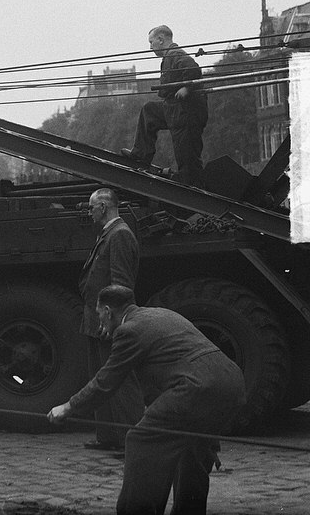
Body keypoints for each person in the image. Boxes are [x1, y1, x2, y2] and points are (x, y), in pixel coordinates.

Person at [48, 285, 245, 515]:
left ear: (108, 311)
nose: (99, 322)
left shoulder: (128, 331)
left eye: (99, 314)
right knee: (194, 448)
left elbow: (105, 381)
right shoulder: (161, 314)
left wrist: (68, 407)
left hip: (195, 389)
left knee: (142, 440)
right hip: (232, 382)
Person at [78, 188, 143, 451]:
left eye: (92, 208)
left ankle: (133, 442)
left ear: (103, 208)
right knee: (101, 379)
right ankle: (108, 436)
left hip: (108, 322)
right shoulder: (111, 234)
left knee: (121, 381)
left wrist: (113, 322)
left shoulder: (120, 236)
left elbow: (121, 285)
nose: (89, 212)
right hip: (97, 320)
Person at [121, 25, 207, 185]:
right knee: (149, 111)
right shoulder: (169, 57)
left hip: (186, 115)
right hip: (173, 110)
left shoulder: (175, 54)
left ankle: (194, 189)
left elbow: (194, 69)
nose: (150, 47)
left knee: (187, 157)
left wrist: (186, 88)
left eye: (151, 42)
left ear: (161, 40)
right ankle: (141, 155)